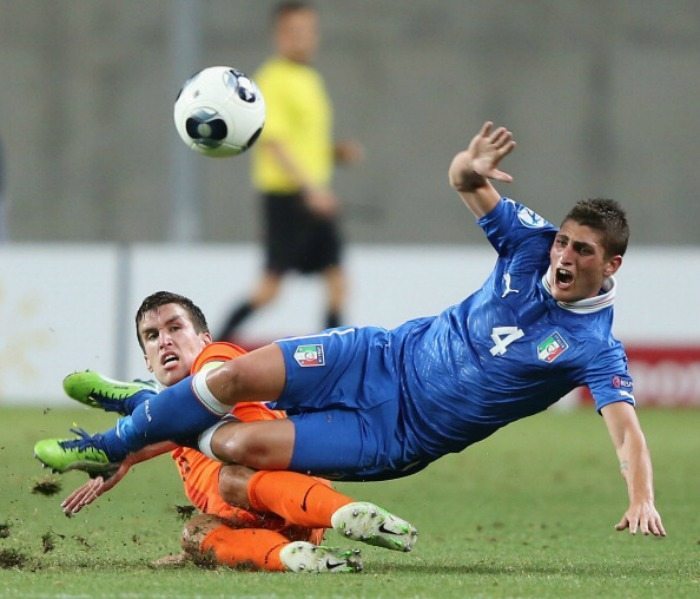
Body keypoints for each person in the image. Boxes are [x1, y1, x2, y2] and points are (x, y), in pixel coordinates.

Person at [36, 121, 666, 537]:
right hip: (377, 357)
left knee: (234, 447)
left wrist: (641, 498)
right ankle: (113, 441)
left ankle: (144, 411)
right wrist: (469, 164)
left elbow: (628, 433)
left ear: (611, 265)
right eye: (564, 241)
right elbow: (462, 181)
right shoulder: (529, 246)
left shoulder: (593, 347)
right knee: (235, 375)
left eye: (583, 252)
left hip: (395, 432)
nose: (563, 256)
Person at [40, 291, 417, 573]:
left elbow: (195, 409)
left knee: (231, 477)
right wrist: (128, 456)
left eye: (175, 328)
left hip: (290, 495)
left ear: (203, 338)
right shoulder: (168, 418)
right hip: (266, 523)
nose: (165, 340)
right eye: (152, 336)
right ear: (146, 359)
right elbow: (175, 423)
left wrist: (126, 447)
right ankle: (295, 559)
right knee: (195, 534)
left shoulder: (218, 363)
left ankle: (349, 514)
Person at [217, 1, 363, 341]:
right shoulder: (272, 79)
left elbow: (302, 143)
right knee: (270, 288)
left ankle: (331, 365)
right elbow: (275, 144)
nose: (303, 38)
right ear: (278, 36)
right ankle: (209, 353)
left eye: (309, 31)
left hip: (313, 194)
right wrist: (311, 190)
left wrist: (333, 153)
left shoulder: (310, 78)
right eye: (294, 31)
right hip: (288, 198)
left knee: (338, 281)